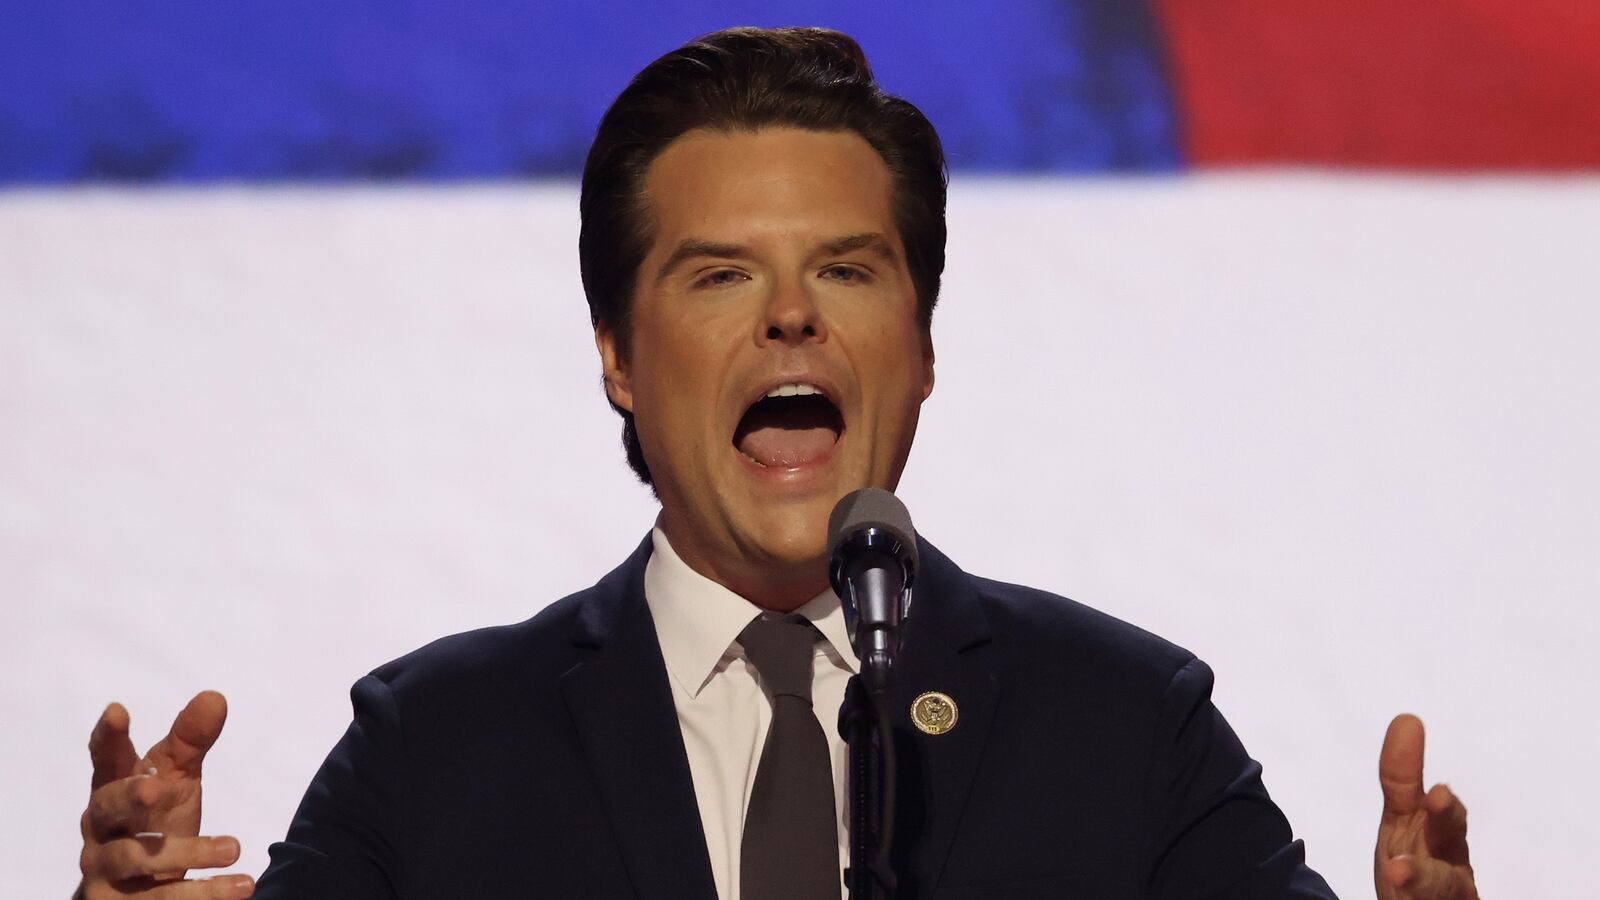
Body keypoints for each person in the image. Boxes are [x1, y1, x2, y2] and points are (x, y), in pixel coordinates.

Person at [74, 27, 1479, 900]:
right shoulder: (436, 751)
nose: (792, 315)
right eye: (720, 272)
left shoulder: (1128, 729)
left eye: (850, 269)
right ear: (619, 355)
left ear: (921, 347)